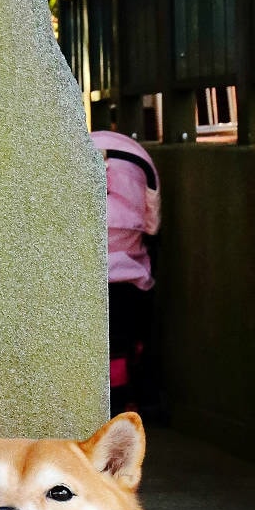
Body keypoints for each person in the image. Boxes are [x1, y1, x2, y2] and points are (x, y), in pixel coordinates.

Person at [92, 126, 161, 414]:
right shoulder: (137, 163)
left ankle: (112, 398)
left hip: (89, 276)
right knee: (125, 339)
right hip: (131, 276)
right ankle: (126, 397)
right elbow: (152, 225)